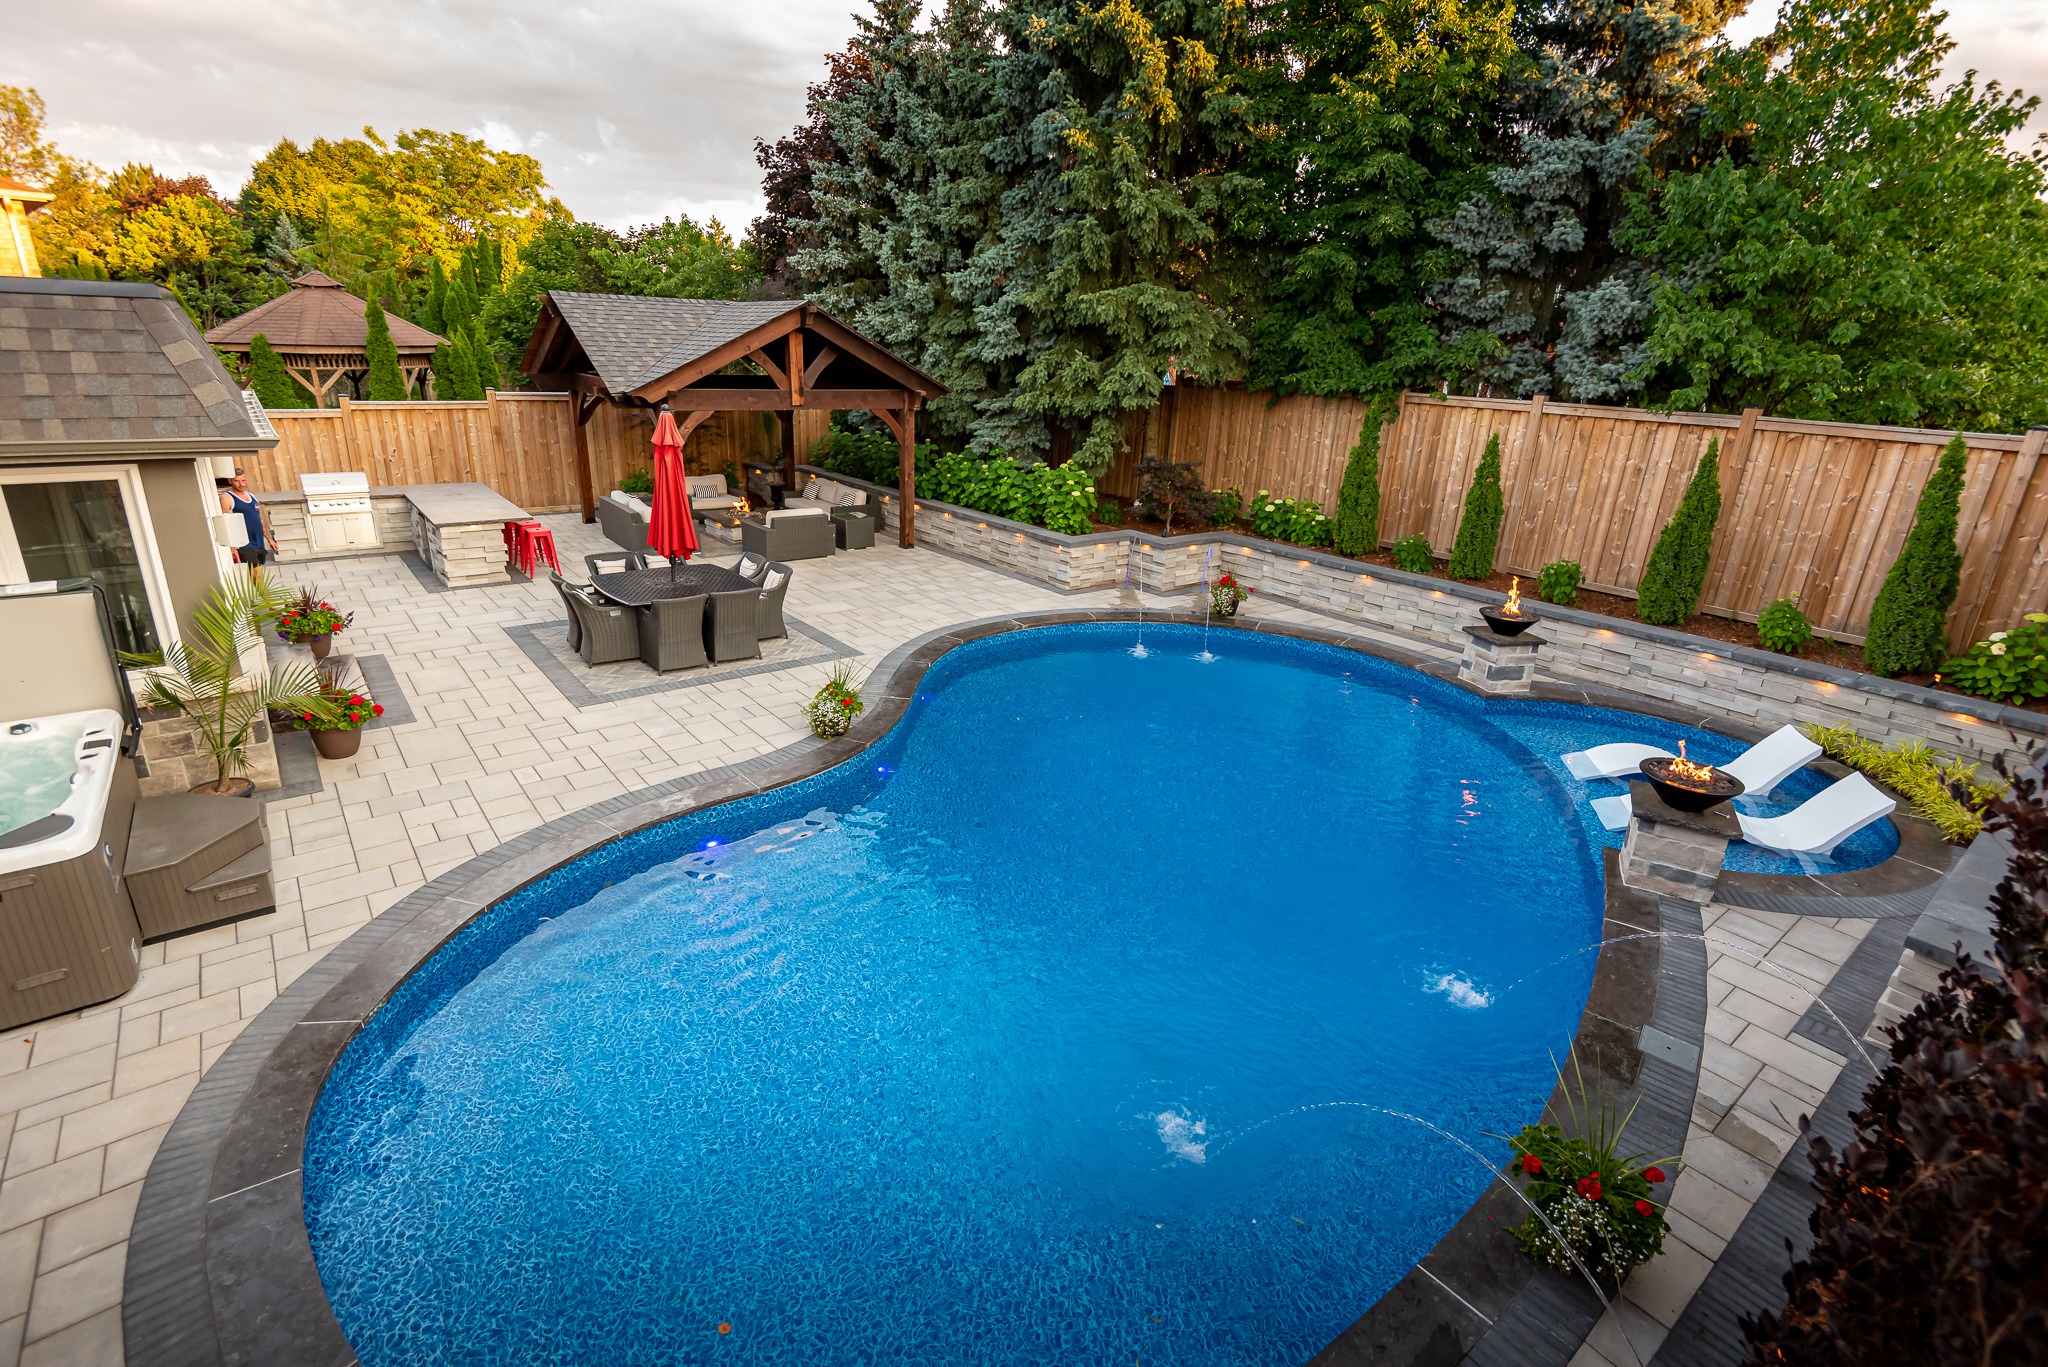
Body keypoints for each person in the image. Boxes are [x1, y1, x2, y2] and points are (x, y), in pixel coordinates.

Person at [219, 469, 275, 580]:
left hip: (258, 541)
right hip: (244, 543)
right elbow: (225, 523)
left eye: (243, 480)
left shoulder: (252, 496)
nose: (241, 484)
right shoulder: (227, 498)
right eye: (237, 481)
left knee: (258, 573)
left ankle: (259, 595)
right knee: (256, 574)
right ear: (230, 481)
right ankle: (264, 596)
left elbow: (258, 520)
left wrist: (269, 539)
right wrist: (232, 546)